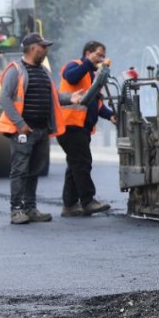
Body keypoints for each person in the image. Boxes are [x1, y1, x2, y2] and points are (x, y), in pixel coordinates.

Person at [0, 33, 87, 225]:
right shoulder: (16, 70)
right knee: (20, 170)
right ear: (32, 49)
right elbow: (4, 98)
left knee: (34, 170)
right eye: (43, 47)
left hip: (41, 130)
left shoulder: (44, 71)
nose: (46, 50)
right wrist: (20, 124)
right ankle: (17, 210)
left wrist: (70, 98)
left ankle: (30, 208)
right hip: (23, 131)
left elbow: (54, 96)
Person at [58, 40, 114, 217]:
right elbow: (70, 76)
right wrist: (90, 64)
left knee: (74, 165)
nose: (101, 59)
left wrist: (111, 115)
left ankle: (70, 205)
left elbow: (96, 104)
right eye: (98, 55)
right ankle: (88, 201)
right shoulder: (75, 66)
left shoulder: (92, 75)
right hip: (70, 125)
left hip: (81, 127)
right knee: (82, 163)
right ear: (88, 53)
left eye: (103, 56)